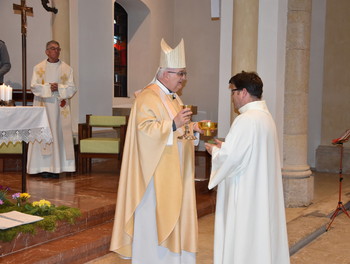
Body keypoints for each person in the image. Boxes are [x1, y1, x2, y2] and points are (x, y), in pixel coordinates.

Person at [110, 38, 206, 264]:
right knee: (154, 219)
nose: (183, 79)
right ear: (164, 73)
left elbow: (176, 129)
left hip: (173, 170)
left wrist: (192, 127)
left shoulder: (173, 97)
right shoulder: (148, 96)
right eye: (179, 73)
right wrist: (173, 124)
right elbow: (144, 131)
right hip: (153, 174)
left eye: (184, 73)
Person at [205, 71, 290, 264]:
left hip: (246, 194)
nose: (232, 97)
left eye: (233, 92)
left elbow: (232, 159)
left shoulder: (246, 119)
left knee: (244, 238)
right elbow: (249, 153)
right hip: (260, 190)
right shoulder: (266, 118)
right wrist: (225, 147)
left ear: (243, 92)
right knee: (259, 237)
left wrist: (215, 152)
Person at [27, 40, 77, 178]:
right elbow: (33, 86)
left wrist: (59, 87)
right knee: (43, 134)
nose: (55, 51)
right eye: (52, 48)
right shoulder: (38, 68)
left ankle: (57, 167)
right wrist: (49, 87)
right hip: (43, 107)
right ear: (47, 51)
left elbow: (72, 88)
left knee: (58, 134)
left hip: (59, 108)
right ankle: (41, 167)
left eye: (57, 49)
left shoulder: (67, 69)